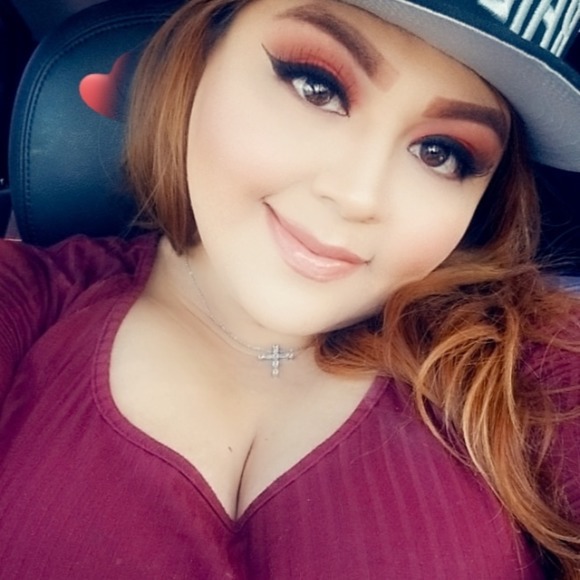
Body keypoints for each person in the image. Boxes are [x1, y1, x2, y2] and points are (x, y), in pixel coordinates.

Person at [1, 0, 579, 577]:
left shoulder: (532, 361)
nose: (358, 196)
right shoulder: (28, 299)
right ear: (200, 56)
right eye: (316, 87)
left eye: (440, 153)